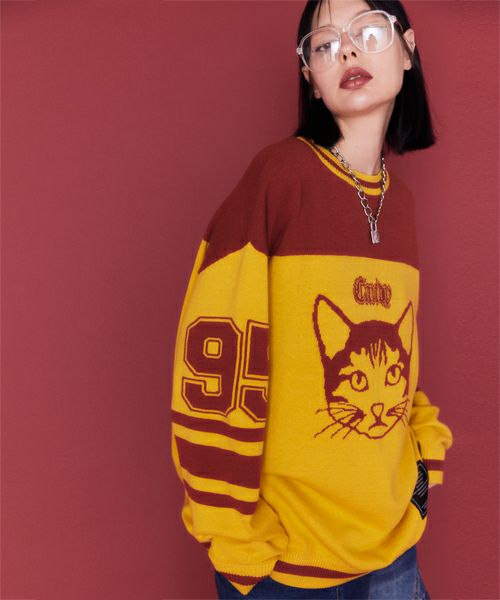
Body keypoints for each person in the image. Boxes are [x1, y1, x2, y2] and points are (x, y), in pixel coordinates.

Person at [169, 0, 454, 598]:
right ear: (310, 78)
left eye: (368, 31)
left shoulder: (399, 203)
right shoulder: (279, 178)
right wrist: (235, 538)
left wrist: (422, 466)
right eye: (323, 44)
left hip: (393, 551)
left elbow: (402, 359)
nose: (346, 50)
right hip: (286, 565)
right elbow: (215, 361)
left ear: (407, 49)